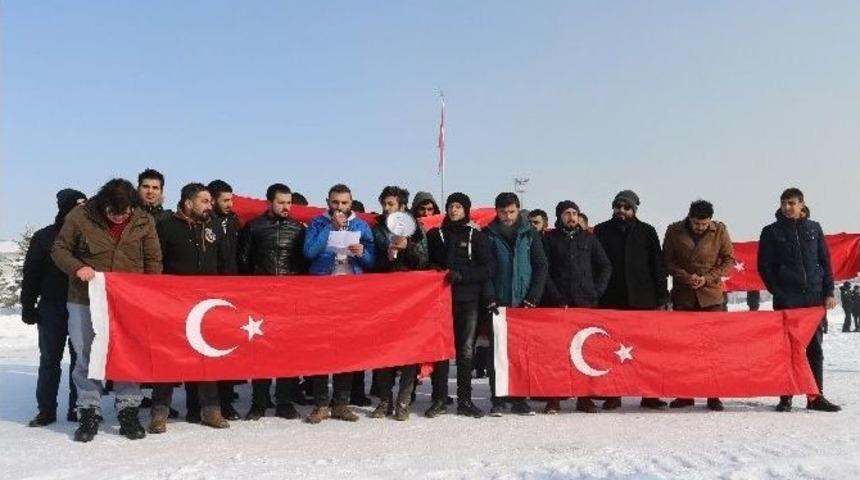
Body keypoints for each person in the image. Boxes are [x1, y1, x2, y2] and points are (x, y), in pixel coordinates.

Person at [51, 178, 162, 442]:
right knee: (86, 355)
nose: (119, 217)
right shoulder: (80, 216)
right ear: (103, 205)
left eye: (125, 213)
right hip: (84, 299)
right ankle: (88, 411)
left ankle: (128, 410)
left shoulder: (144, 220)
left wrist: (149, 293)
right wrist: (77, 267)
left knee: (127, 353)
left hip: (128, 301)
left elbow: (153, 260)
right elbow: (59, 249)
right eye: (114, 213)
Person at [148, 183, 235, 433]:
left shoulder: (214, 226)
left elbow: (224, 261)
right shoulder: (166, 226)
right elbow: (156, 262)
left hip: (206, 303)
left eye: (210, 201)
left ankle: (211, 410)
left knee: (206, 355)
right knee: (168, 357)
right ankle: (159, 413)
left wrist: (230, 292)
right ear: (188, 203)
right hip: (172, 303)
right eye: (204, 201)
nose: (210, 205)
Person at [758, 187, 840, 412]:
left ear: (802, 204)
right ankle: (786, 397)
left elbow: (825, 261)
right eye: (784, 203)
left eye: (792, 203)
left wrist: (828, 292)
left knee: (815, 350)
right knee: (787, 350)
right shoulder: (771, 232)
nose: (787, 207)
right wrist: (778, 291)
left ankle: (816, 397)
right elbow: (764, 266)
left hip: (813, 300)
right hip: (787, 301)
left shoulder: (814, 228)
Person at [302, 184, 375, 424]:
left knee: (347, 346)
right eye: (335, 202)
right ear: (328, 202)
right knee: (321, 346)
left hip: (350, 292)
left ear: (351, 203)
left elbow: (372, 261)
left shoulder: (361, 225)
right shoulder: (317, 223)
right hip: (322, 290)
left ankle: (341, 403)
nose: (340, 207)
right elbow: (309, 252)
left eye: (344, 203)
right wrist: (330, 229)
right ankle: (321, 404)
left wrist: (362, 252)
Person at [594, 190, 669, 410]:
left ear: (634, 210)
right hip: (611, 299)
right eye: (618, 206)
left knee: (646, 350)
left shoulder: (647, 231)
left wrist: (662, 296)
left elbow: (658, 266)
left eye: (626, 207)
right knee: (611, 349)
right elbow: (595, 264)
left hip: (643, 300)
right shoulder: (601, 230)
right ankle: (613, 393)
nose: (621, 211)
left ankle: (649, 395)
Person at [238, 183, 308, 421]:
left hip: (289, 299)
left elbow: (303, 263)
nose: (286, 207)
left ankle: (284, 402)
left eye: (289, 203)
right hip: (260, 299)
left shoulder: (298, 229)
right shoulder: (254, 227)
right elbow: (244, 260)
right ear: (270, 202)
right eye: (281, 202)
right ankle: (259, 402)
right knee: (261, 351)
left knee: (287, 351)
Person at [425, 192, 494, 419]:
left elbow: (488, 268)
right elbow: (425, 261)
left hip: (468, 301)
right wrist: (434, 268)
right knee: (441, 350)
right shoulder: (435, 234)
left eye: (458, 206)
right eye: (451, 206)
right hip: (441, 301)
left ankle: (465, 400)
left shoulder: (476, 236)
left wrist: (463, 276)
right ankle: (439, 399)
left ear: (466, 210)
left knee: (465, 351)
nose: (454, 210)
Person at [21, 188, 87, 427]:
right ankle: (46, 410)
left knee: (80, 359)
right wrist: (28, 304)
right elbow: (31, 272)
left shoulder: (89, 236)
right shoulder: (44, 237)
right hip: (51, 307)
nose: (81, 213)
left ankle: (78, 407)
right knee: (50, 360)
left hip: (80, 305)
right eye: (77, 208)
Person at [662, 200, 735, 411]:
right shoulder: (674, 230)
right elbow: (667, 261)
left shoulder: (720, 230)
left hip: (711, 297)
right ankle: (685, 394)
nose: (700, 227)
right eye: (696, 223)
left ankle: (713, 394)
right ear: (690, 218)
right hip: (684, 296)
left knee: (712, 347)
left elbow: (729, 260)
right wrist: (685, 276)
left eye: (704, 224)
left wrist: (707, 278)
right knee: (684, 348)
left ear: (710, 220)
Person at [541, 200, 612, 414]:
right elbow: (543, 269)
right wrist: (555, 296)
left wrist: (596, 291)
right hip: (558, 304)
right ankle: (554, 399)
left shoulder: (589, 238)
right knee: (556, 353)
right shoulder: (550, 239)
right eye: (567, 213)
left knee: (585, 351)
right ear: (559, 216)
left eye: (574, 213)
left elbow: (605, 266)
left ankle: (584, 398)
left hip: (585, 304)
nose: (571, 216)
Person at [484, 192, 548, 416]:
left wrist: (534, 297)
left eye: (511, 212)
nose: (508, 217)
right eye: (503, 212)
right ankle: (498, 398)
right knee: (497, 353)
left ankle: (520, 399)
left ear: (518, 210)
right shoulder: (489, 234)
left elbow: (541, 266)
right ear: (497, 212)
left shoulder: (530, 233)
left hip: (524, 303)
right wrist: (490, 296)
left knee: (521, 353)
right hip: (499, 303)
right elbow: (485, 269)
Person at [368, 186, 428, 421]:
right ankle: (385, 400)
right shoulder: (376, 229)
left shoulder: (416, 228)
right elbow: (371, 263)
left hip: (411, 297)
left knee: (408, 350)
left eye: (391, 204)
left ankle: (403, 400)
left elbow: (423, 261)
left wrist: (407, 247)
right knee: (384, 349)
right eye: (384, 204)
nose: (386, 208)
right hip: (384, 297)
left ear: (402, 206)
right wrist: (386, 255)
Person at [206, 179, 243, 420]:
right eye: (225, 200)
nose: (230, 204)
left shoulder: (234, 221)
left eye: (232, 200)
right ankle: (202, 404)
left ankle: (227, 402)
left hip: (233, 291)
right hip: (208, 291)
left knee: (229, 349)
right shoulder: (205, 223)